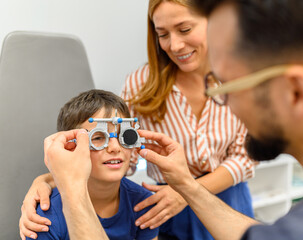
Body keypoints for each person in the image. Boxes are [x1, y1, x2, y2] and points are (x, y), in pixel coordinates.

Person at [25, 0, 303, 239]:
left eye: (229, 85)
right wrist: (52, 179)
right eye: (163, 33)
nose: (222, 100)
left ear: (298, 92)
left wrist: (187, 190)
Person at [19, 0, 255, 239]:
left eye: (184, 29)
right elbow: (119, 152)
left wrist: (185, 192)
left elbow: (245, 158)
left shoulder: (241, 75)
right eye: (162, 34)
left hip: (226, 201)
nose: (174, 45)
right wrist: (47, 180)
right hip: (165, 210)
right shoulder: (140, 85)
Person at [25, 89, 159, 240]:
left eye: (125, 135)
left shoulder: (143, 203)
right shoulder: (45, 218)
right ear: (70, 147)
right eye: (97, 138)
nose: (115, 147)